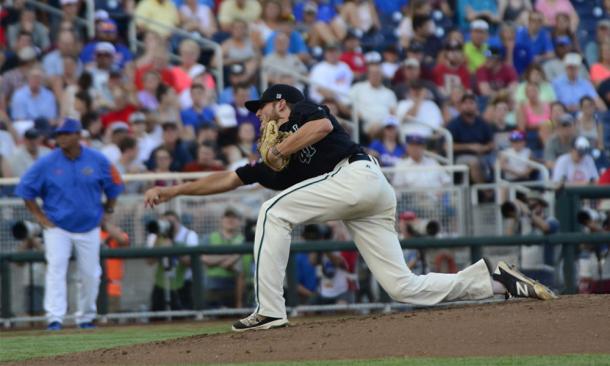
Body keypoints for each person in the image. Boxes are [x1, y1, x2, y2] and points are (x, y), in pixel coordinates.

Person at [144, 84, 557, 332]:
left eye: (262, 108)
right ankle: (494, 281)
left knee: (273, 212)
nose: (259, 116)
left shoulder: (300, 112)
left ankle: (270, 311)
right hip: (364, 197)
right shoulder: (276, 160)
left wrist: (281, 146)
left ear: (281, 104)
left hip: (357, 176)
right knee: (403, 287)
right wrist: (175, 191)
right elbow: (230, 178)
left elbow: (322, 127)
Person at [15, 118, 124, 330]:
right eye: (59, 134)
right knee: (56, 268)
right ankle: (55, 317)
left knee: (90, 273)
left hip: (90, 225)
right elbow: (25, 189)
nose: (61, 138)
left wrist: (108, 211)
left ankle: (85, 316)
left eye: (66, 133)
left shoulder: (97, 159)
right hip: (58, 226)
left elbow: (115, 185)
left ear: (78, 135)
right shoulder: (47, 162)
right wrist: (40, 217)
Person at [201, 208, 250, 308]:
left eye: (234, 217)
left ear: (239, 221)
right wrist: (233, 255)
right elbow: (205, 259)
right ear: (221, 220)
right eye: (227, 217)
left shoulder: (244, 239)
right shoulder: (210, 237)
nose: (230, 220)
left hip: (236, 286)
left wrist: (217, 259)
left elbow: (239, 267)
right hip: (213, 285)